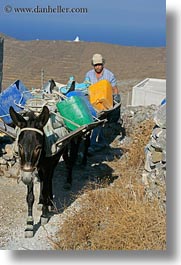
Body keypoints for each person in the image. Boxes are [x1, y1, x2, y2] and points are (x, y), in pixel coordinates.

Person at [85, 54, 121, 152]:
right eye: (96, 65)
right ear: (93, 65)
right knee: (94, 122)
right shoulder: (89, 74)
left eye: (100, 65)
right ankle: (101, 141)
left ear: (103, 64)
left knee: (98, 122)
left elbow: (114, 88)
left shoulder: (109, 75)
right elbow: (86, 87)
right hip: (93, 102)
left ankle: (92, 145)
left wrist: (116, 100)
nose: (98, 67)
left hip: (104, 104)